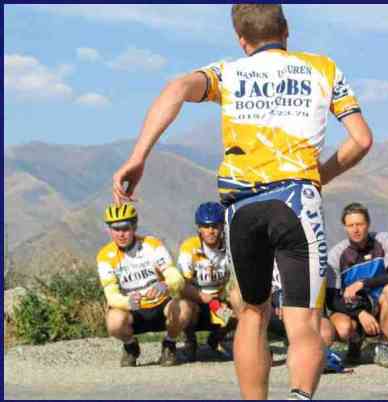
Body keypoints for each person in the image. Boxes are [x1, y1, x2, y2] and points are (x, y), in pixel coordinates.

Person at [110, 5, 373, 399]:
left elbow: (176, 88)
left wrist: (138, 156)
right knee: (304, 322)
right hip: (294, 201)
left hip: (242, 208)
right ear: (286, 30)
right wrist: (322, 176)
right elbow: (362, 139)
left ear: (241, 39)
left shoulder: (228, 72)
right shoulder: (323, 68)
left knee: (252, 314)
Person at [97, 204, 192, 367]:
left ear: (134, 226)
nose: (121, 234)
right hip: (132, 310)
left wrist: (166, 285)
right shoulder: (105, 256)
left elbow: (175, 276)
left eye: (125, 228)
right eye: (115, 229)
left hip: (160, 305)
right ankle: (130, 346)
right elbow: (111, 295)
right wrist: (127, 302)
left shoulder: (151, 244)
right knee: (113, 321)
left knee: (184, 308)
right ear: (109, 230)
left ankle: (169, 344)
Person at [326, 203, 388, 368]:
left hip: (378, 304)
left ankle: (383, 347)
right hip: (350, 308)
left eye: (360, 224)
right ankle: (355, 344)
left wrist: (363, 283)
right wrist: (359, 313)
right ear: (345, 227)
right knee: (343, 328)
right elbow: (331, 300)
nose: (355, 230)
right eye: (350, 225)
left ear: (368, 224)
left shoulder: (383, 240)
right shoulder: (336, 255)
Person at [178, 202, 243, 361]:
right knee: (186, 308)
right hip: (195, 301)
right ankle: (190, 341)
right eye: (205, 226)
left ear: (222, 227)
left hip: (217, 305)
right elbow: (182, 286)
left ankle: (216, 339)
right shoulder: (189, 247)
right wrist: (203, 297)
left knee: (238, 314)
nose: (211, 231)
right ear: (199, 228)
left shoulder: (230, 247)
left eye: (215, 226)